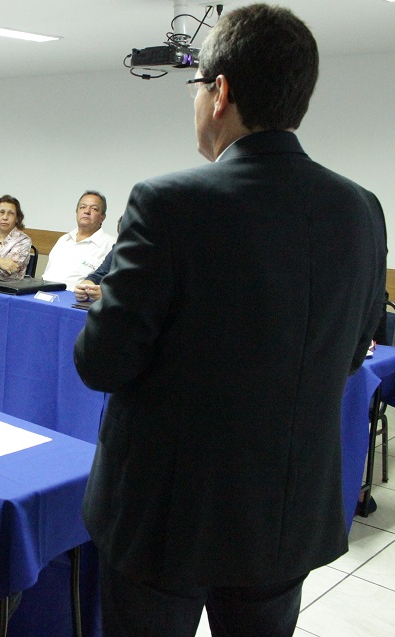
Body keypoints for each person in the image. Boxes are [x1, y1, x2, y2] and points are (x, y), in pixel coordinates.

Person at [73, 5, 387, 636]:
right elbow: (354, 349)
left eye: (195, 87)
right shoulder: (361, 210)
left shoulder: (168, 203)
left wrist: (109, 302)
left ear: (219, 93)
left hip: (166, 516)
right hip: (285, 512)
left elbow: (101, 363)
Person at [42, 191, 115, 287]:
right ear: (77, 212)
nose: (87, 211)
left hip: (79, 299)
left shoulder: (110, 245)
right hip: (43, 294)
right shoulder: (64, 239)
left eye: (94, 209)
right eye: (83, 207)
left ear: (102, 217)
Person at [74, 219, 122, 302]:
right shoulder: (117, 250)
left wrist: (109, 295)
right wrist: (85, 287)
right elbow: (98, 276)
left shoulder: (150, 257)